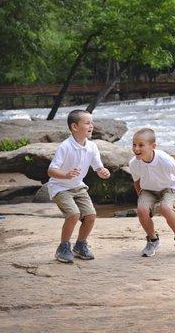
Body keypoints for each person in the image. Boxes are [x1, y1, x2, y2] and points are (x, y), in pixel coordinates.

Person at [48, 109, 110, 263]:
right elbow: (50, 170)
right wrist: (66, 175)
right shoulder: (65, 146)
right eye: (87, 123)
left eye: (92, 123)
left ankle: (80, 245)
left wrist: (102, 172)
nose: (91, 126)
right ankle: (63, 247)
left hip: (78, 186)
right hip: (60, 187)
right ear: (75, 127)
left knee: (90, 215)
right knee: (74, 214)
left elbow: (98, 167)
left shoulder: (92, 146)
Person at [129, 128, 175, 257]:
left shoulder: (164, 159)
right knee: (141, 210)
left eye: (141, 145)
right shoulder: (134, 163)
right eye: (134, 145)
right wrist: (143, 201)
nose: (136, 149)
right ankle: (153, 240)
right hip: (148, 190)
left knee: (165, 208)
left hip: (169, 188)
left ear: (153, 146)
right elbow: (136, 181)